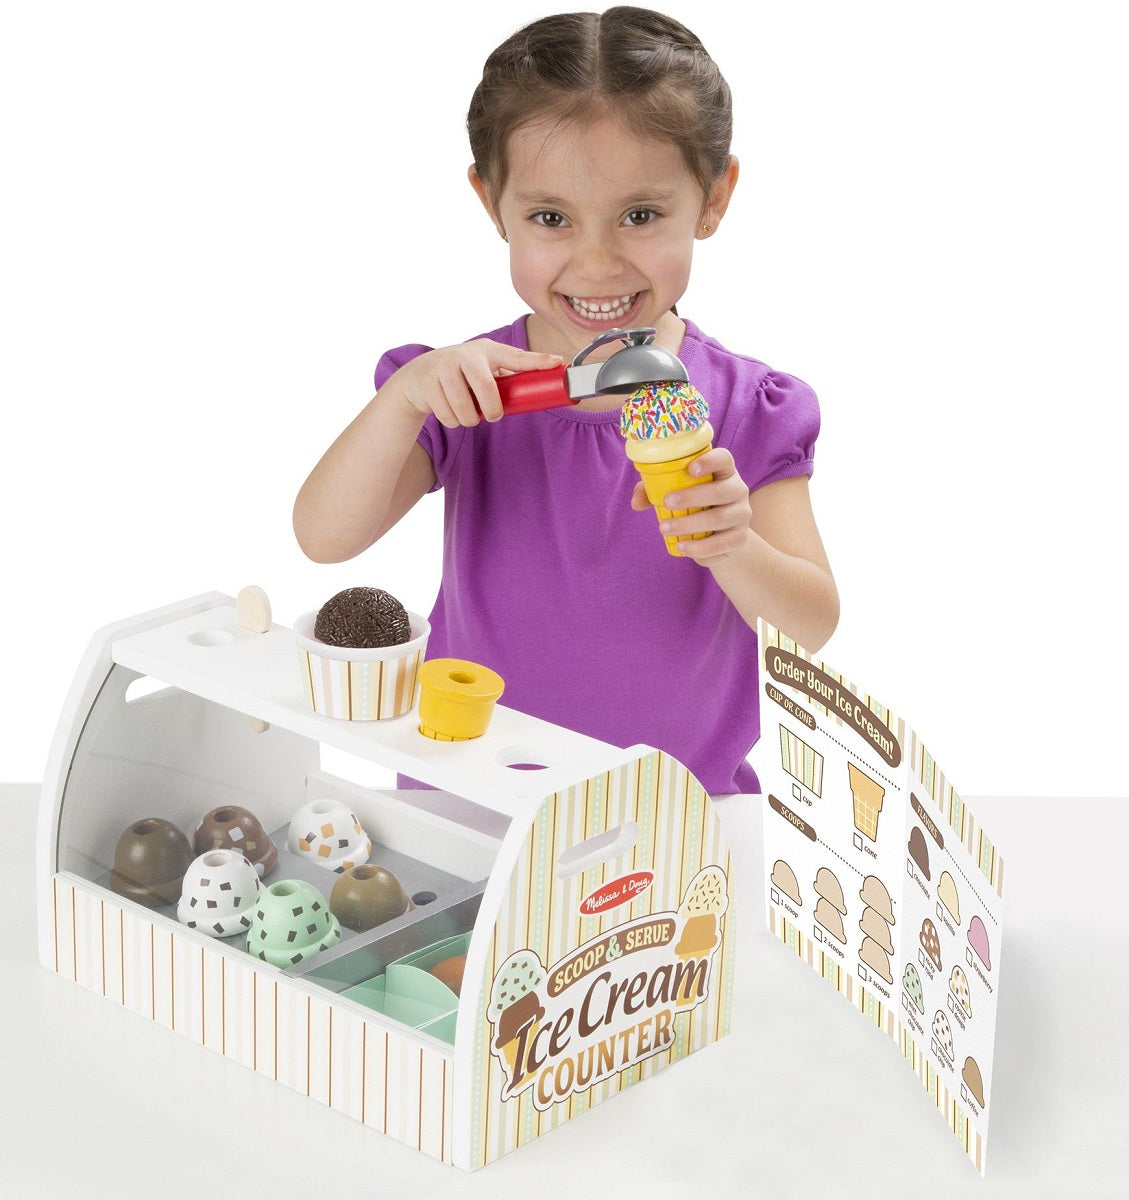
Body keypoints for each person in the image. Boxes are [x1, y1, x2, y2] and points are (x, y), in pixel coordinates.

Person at [293, 6, 838, 795]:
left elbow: (809, 627)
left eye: (640, 216)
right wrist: (407, 397)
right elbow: (323, 536)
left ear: (714, 198)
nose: (596, 262)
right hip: (472, 800)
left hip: (674, 813)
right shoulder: (467, 395)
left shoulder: (750, 406)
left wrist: (734, 547)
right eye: (550, 218)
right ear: (492, 205)